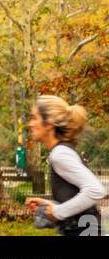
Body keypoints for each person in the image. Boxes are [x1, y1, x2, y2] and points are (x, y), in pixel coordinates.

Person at [25, 95, 104, 236]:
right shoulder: (61, 151)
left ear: (48, 124)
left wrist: (58, 212)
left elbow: (96, 190)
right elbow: (75, 196)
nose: (30, 124)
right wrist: (50, 205)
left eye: (34, 118)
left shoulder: (60, 154)